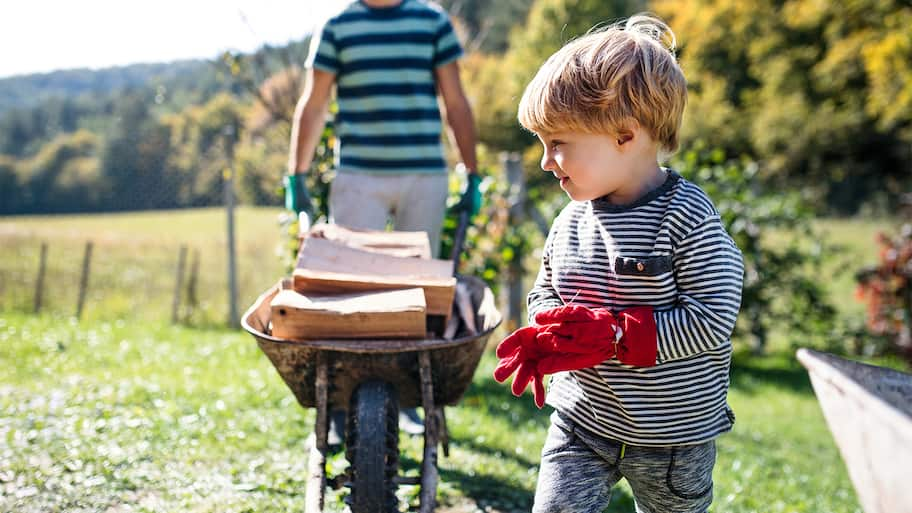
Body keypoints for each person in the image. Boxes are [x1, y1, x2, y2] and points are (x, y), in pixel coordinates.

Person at [493, 14, 744, 513]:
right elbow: (547, 288)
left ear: (625, 135)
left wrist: (614, 335)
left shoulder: (685, 216)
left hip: (673, 434)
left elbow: (714, 315)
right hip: (582, 419)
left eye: (558, 143)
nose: (545, 162)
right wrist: (550, 326)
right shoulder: (569, 220)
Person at [286, 0, 480, 444]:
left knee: (419, 291)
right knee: (348, 288)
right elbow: (313, 104)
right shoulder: (338, 27)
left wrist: (472, 169)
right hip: (359, 176)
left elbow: (455, 102)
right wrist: (296, 172)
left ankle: (410, 401)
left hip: (423, 174)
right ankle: (340, 403)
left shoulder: (432, 23)